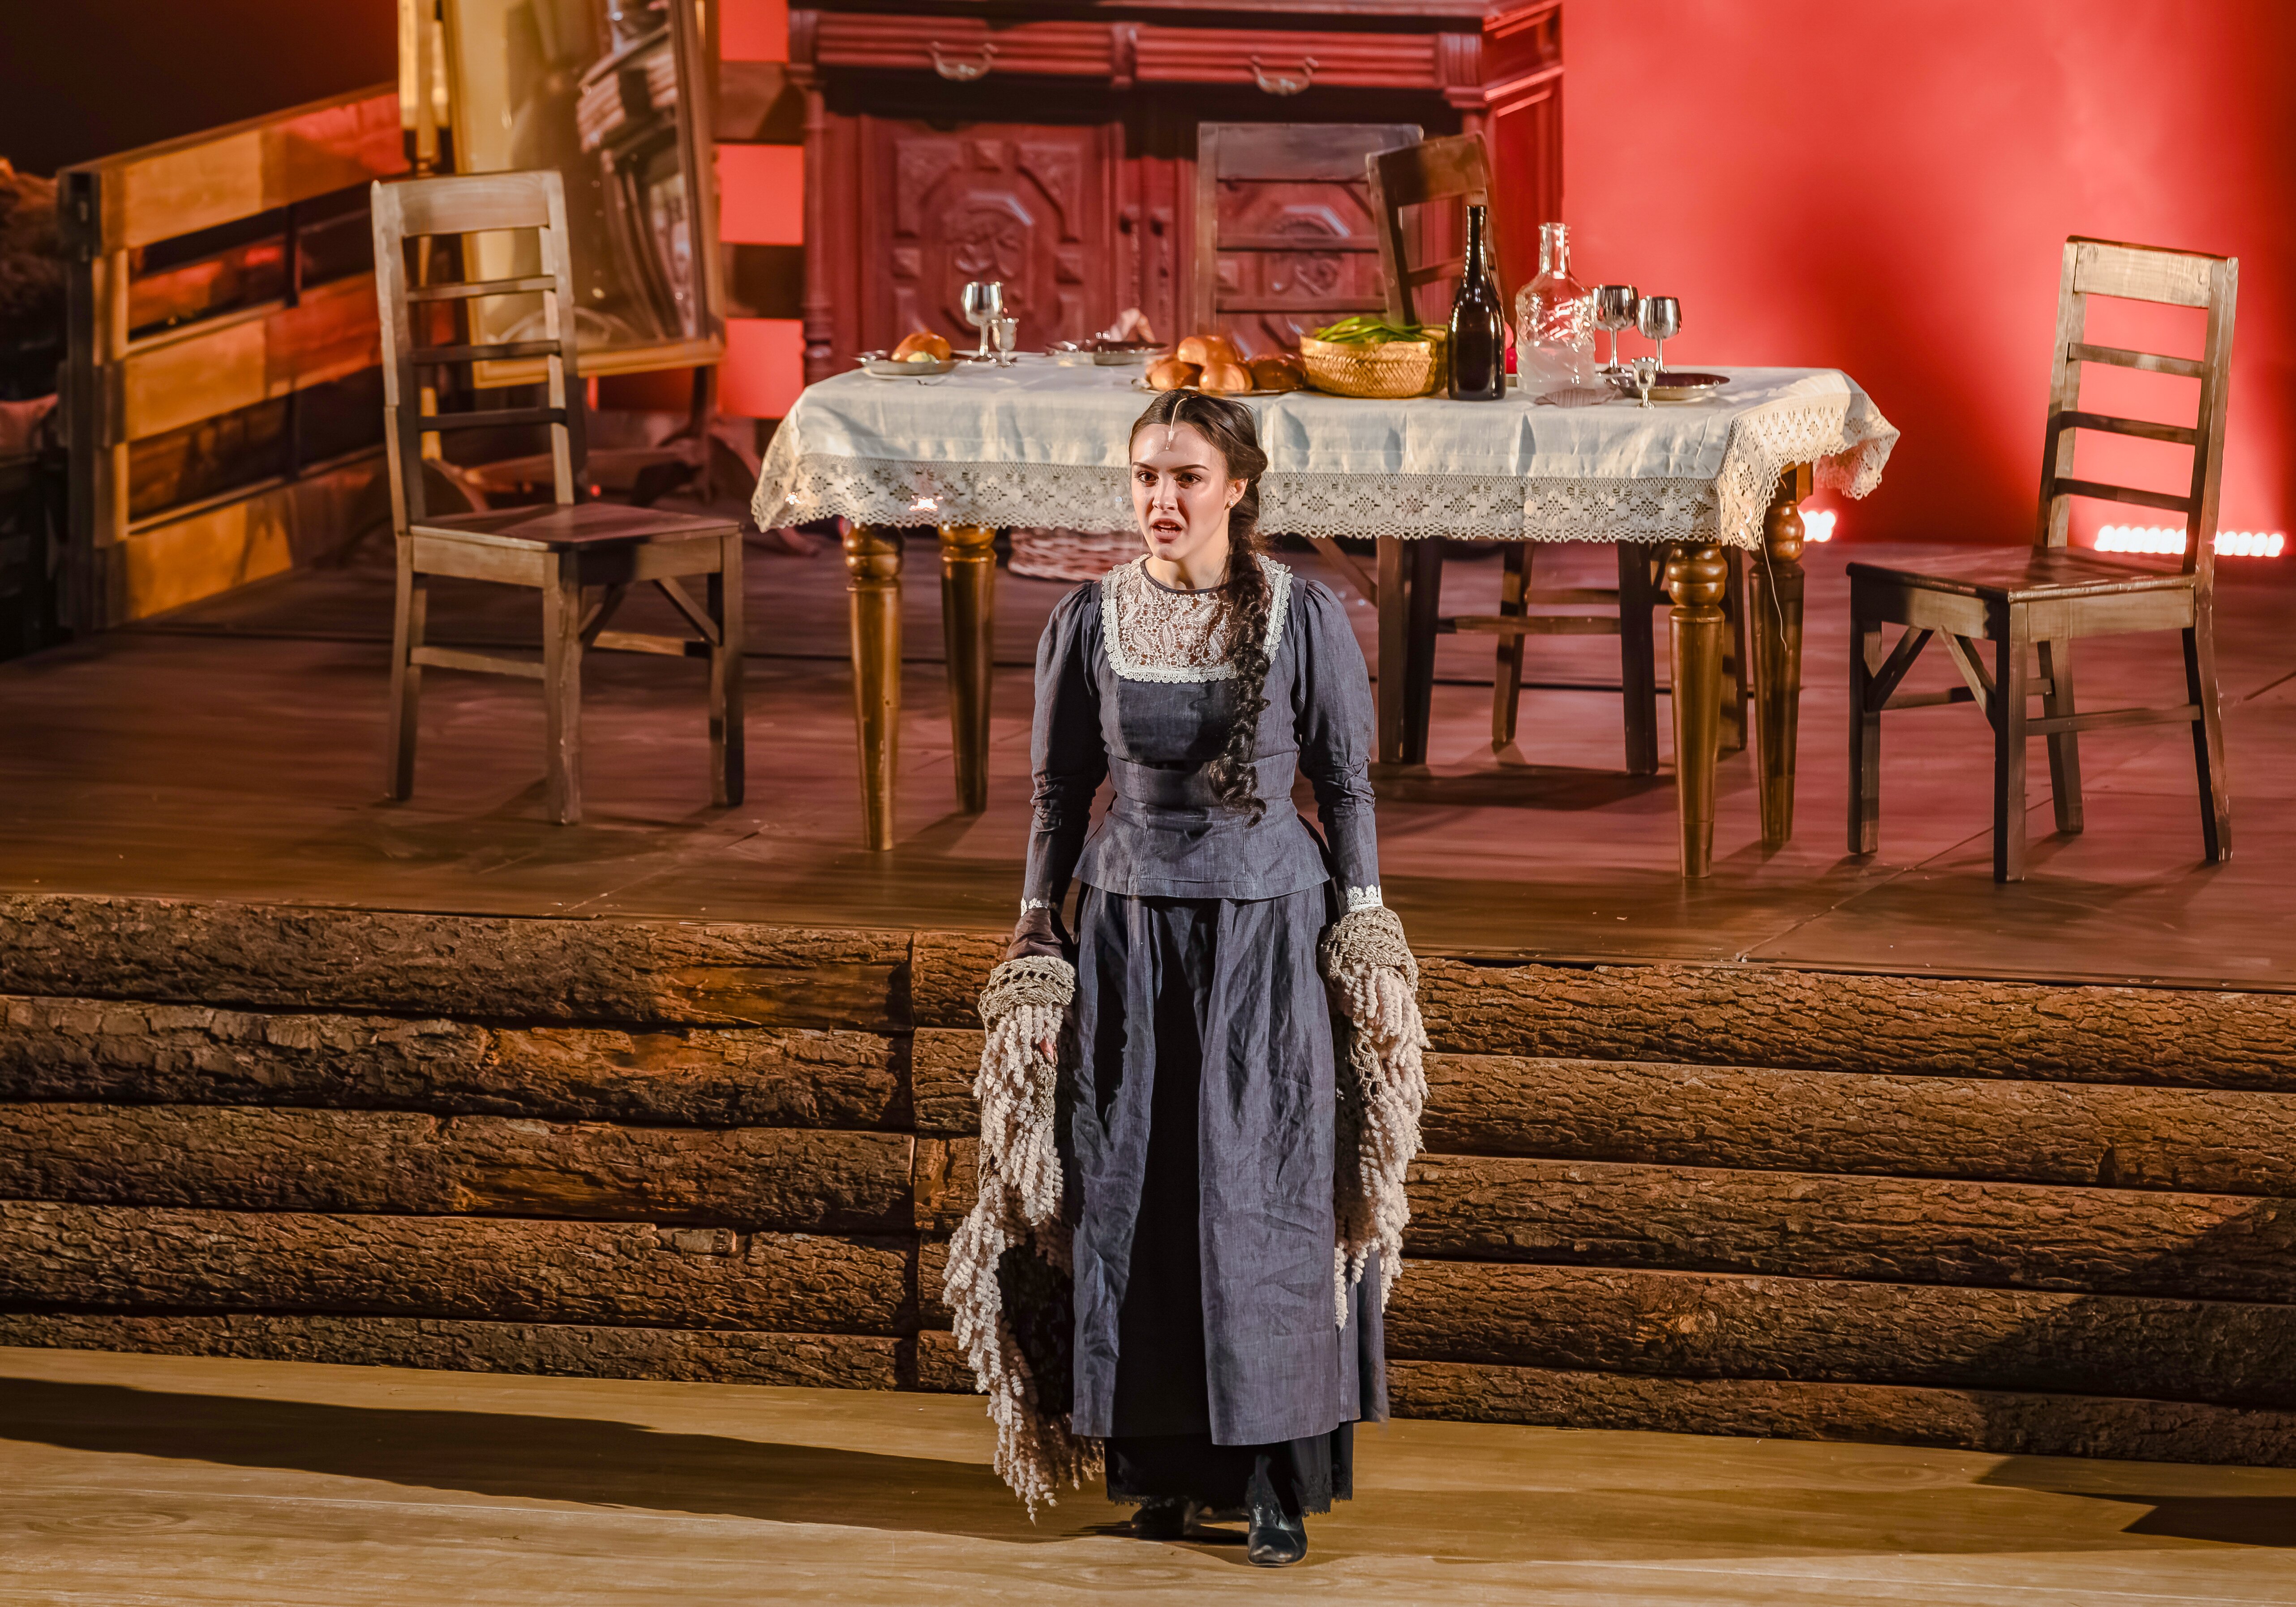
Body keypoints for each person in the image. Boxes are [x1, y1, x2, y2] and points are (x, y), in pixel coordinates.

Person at [946, 390, 1426, 1568]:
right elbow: (1060, 792)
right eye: (1146, 477)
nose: (1162, 500)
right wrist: (1036, 933)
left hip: (1266, 936)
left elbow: (1346, 786)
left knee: (1264, 1199)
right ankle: (1159, 1472)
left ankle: (1272, 1482)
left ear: (1238, 488)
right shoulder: (1089, 617)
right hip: (1128, 931)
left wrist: (1366, 926)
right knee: (1137, 1192)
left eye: (1187, 477)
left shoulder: (1304, 616)